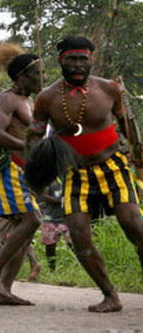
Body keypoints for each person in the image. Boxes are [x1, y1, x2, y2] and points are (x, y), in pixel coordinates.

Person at [29, 36, 143, 312]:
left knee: (135, 227)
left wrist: (139, 154)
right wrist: (37, 174)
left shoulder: (110, 89)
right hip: (75, 174)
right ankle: (110, 295)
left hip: (114, 168)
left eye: (83, 59)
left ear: (91, 58)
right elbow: (33, 135)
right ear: (61, 61)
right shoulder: (46, 98)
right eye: (72, 59)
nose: (78, 65)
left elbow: (127, 123)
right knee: (80, 237)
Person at [0, 43, 43, 305]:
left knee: (24, 232)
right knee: (32, 220)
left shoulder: (29, 101)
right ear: (22, 76)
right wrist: (26, 146)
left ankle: (3, 290)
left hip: (23, 170)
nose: (41, 79)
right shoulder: (8, 98)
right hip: (9, 168)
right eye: (37, 74)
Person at [39, 181, 71, 271]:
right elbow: (45, 196)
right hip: (51, 218)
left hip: (66, 218)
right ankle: (52, 269)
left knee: (73, 243)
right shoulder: (49, 181)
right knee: (50, 246)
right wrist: (60, 201)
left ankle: (82, 267)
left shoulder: (66, 179)